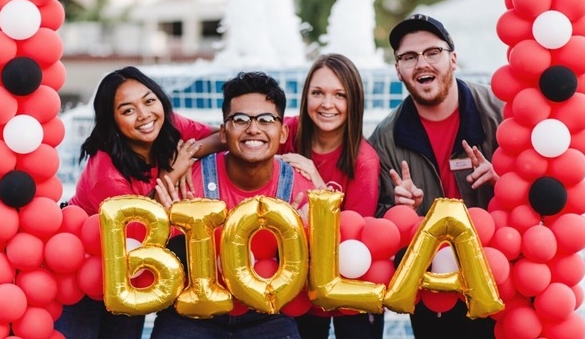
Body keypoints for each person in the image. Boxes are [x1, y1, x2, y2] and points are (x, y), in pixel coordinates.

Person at [55, 66, 221, 339]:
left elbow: (218, 136)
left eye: (149, 100)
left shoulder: (168, 126)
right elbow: (142, 232)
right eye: (128, 110)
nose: (144, 115)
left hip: (130, 271)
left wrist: (185, 155)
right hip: (84, 270)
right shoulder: (106, 170)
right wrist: (173, 173)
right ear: (113, 121)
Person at [150, 71, 315, 339]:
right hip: (193, 313)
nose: (253, 129)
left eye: (266, 120)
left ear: (283, 132)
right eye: (240, 119)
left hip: (267, 314)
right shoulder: (189, 181)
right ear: (224, 132)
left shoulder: (299, 186)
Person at [368, 14, 504, 338]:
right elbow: (376, 223)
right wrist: (401, 209)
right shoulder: (385, 138)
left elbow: (543, 187)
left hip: (500, 276)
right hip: (434, 292)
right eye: (409, 57)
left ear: (453, 59)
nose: (421, 63)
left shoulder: (500, 113)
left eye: (432, 52)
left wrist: (504, 180)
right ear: (398, 70)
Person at [278, 53, 383, 338]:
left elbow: (354, 244)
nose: (327, 104)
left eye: (340, 95)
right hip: (299, 285)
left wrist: (319, 187)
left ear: (354, 102)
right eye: (318, 93)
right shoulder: (287, 133)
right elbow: (243, 136)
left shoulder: (364, 161)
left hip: (350, 286)